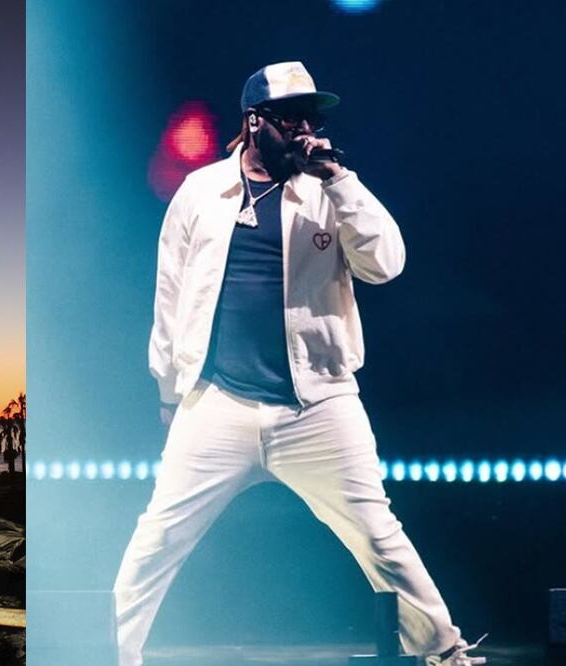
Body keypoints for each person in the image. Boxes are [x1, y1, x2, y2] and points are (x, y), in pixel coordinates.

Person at [112, 61, 486, 666]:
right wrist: (167, 387)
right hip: (218, 403)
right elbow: (170, 293)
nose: (307, 129)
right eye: (293, 117)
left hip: (318, 403)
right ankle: (112, 656)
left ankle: (446, 653)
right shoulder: (200, 192)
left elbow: (386, 263)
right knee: (157, 538)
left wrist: (340, 177)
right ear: (255, 121)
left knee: (377, 536)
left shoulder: (327, 190)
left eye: (313, 117)